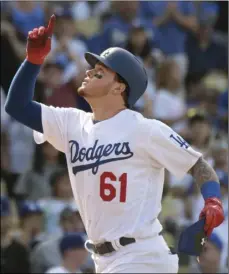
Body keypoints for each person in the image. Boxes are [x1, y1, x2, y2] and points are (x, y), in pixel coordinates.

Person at [5, 15, 225, 273]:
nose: (88, 72)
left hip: (141, 256)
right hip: (103, 259)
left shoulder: (145, 129)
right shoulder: (71, 123)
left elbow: (198, 165)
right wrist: (33, 61)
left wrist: (213, 201)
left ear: (119, 87)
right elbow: (17, 106)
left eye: (99, 72)